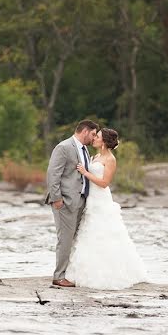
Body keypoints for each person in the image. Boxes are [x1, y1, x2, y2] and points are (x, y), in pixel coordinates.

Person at [65, 128, 147, 290]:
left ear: (104, 141)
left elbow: (104, 183)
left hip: (101, 201)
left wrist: (84, 172)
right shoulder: (95, 156)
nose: (94, 138)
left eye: (98, 137)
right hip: (91, 200)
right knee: (88, 234)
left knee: (103, 234)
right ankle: (83, 271)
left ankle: (107, 274)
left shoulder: (110, 159)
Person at [45, 119, 99, 287]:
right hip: (65, 202)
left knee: (75, 239)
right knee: (65, 240)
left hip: (81, 201)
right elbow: (53, 174)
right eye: (93, 134)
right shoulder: (64, 147)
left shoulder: (84, 150)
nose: (94, 137)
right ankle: (58, 276)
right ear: (85, 131)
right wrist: (57, 199)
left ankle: (69, 273)